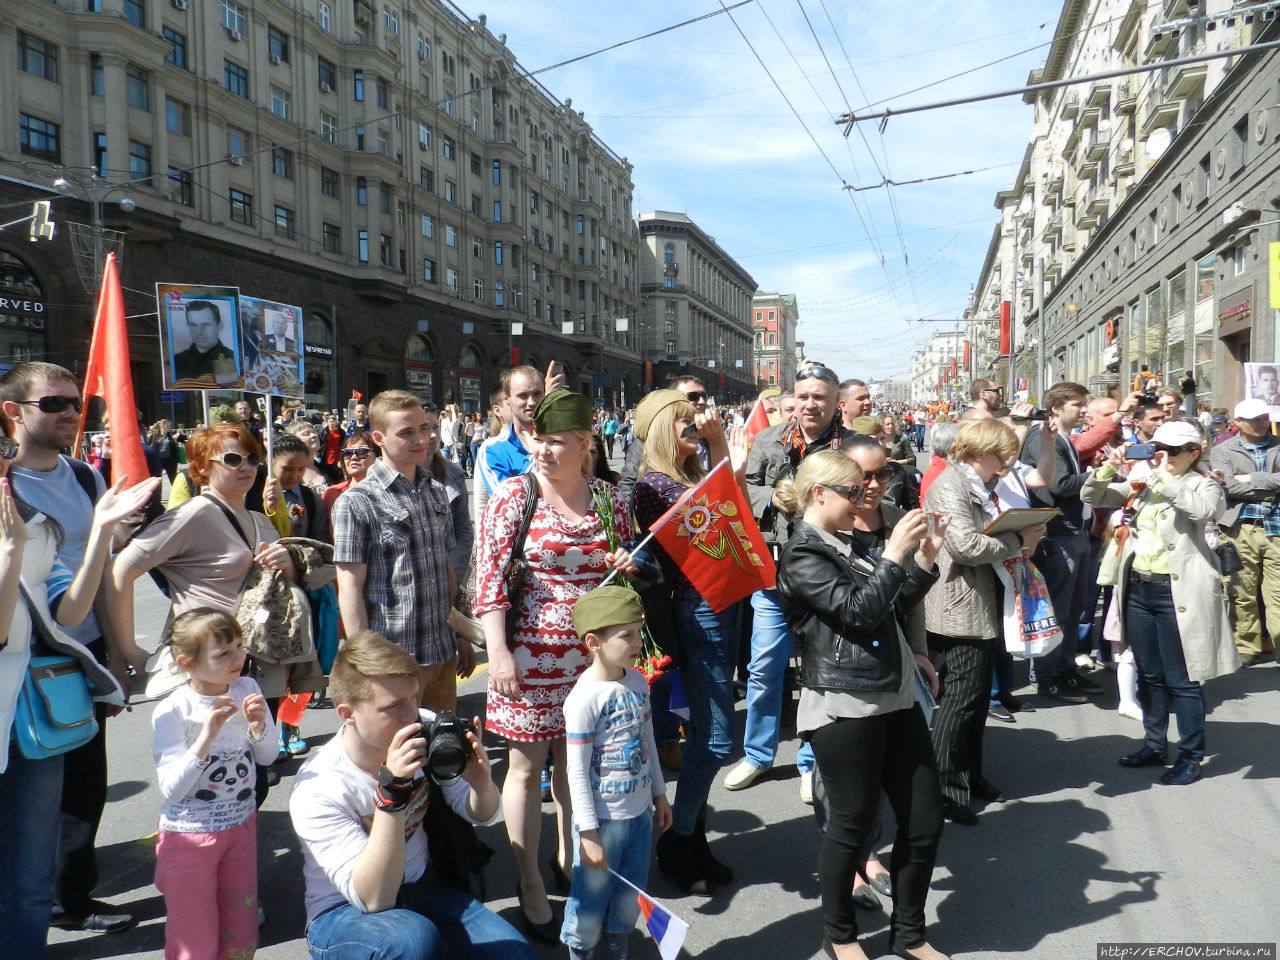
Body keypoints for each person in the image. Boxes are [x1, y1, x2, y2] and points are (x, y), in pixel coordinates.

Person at [0, 360, 162, 936]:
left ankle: (70, 896)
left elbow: (112, 573)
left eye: (76, 403)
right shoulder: (6, 486)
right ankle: (31, 904)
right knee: (30, 802)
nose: (71, 412)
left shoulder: (86, 476)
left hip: (81, 656)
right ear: (12, 412)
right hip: (23, 659)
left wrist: (119, 652)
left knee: (83, 790)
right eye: (54, 404)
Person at [473, 389, 639, 941]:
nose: (542, 450)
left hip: (591, 667)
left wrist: (626, 563)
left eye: (555, 441)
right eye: (537, 439)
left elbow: (624, 582)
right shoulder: (513, 499)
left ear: (584, 445)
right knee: (524, 770)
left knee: (578, 770)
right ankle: (527, 880)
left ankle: (568, 858)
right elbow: (490, 585)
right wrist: (497, 653)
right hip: (526, 660)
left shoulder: (611, 501)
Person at [774, 450, 947, 960]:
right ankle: (841, 936)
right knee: (850, 827)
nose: (863, 499)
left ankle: (911, 933)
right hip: (845, 704)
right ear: (818, 493)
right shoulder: (803, 552)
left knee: (924, 822)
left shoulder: (848, 540)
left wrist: (925, 558)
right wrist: (894, 555)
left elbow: (891, 605)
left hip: (894, 694)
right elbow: (860, 613)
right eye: (851, 491)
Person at [289, 630, 536, 960]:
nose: (412, 715)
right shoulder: (318, 786)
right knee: (412, 941)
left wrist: (481, 784)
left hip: (423, 885)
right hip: (344, 911)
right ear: (347, 714)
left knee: (516, 956)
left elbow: (482, 813)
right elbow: (374, 899)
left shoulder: (425, 726)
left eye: (414, 698)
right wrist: (392, 795)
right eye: (392, 706)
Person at [631, 389, 748, 894]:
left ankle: (692, 840)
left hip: (724, 598)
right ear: (661, 430)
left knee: (707, 733)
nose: (694, 429)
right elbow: (715, 524)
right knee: (718, 738)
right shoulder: (653, 484)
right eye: (684, 424)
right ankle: (679, 839)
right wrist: (723, 452)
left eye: (695, 423)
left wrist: (718, 454)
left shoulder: (688, 476)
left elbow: (734, 518)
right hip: (699, 607)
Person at [1082, 421, 1239, 785]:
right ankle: (1154, 744)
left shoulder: (1204, 483)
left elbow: (1204, 510)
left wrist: (1163, 479)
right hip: (1138, 587)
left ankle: (1190, 755)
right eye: (1157, 448)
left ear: (1193, 452)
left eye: (1170, 450)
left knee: (1182, 679)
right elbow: (1093, 499)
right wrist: (1108, 468)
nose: (1161, 455)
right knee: (1150, 675)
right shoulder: (1143, 481)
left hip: (1178, 592)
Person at [923, 418, 1046, 825]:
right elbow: (964, 546)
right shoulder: (950, 485)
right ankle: (944, 790)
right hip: (958, 606)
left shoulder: (977, 484)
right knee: (957, 703)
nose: (1008, 463)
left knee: (973, 702)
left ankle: (970, 777)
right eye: (1003, 454)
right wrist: (1017, 541)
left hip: (981, 599)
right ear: (981, 451)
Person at [737, 362, 846, 799]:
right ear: (792, 400)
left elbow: (868, 499)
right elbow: (741, 490)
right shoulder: (767, 440)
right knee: (764, 667)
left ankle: (811, 760)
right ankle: (758, 755)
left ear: (835, 401)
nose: (810, 404)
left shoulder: (850, 447)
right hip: (774, 574)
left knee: (821, 670)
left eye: (819, 396)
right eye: (803, 396)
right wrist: (772, 498)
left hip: (829, 576)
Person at [333, 390, 473, 714]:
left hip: (441, 651)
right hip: (393, 659)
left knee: (441, 756)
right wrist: (364, 661)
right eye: (407, 432)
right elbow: (350, 588)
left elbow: (446, 569)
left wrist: (462, 634)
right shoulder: (357, 501)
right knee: (397, 759)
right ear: (379, 438)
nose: (421, 439)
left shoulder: (437, 491)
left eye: (424, 428)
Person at [151, 610, 278, 959]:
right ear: (186, 662)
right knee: (195, 936)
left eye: (239, 646)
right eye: (223, 653)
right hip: (190, 837)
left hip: (240, 827)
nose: (238, 657)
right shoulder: (174, 709)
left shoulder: (247, 688)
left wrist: (258, 727)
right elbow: (172, 788)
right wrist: (206, 735)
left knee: (241, 928)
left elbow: (267, 756)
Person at [560, 586, 672, 960]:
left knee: (629, 898)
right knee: (589, 905)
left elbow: (649, 742)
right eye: (626, 635)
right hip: (603, 823)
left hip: (639, 816)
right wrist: (588, 834)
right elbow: (575, 771)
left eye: (638, 632)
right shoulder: (583, 699)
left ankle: (617, 948)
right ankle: (582, 953)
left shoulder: (638, 683)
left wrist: (659, 794)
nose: (637, 641)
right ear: (593, 641)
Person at [1021, 382, 1108, 704]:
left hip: (1076, 533)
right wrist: (1100, 474)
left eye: (1085, 404)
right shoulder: (1044, 438)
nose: (1084, 410)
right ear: (1056, 408)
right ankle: (1045, 676)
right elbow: (1058, 485)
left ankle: (1065, 668)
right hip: (1059, 535)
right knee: (1056, 610)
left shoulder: (1063, 439)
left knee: (1073, 609)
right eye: (1078, 404)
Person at [1209, 398, 1280, 666]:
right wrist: (1273, 486)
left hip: (1276, 526)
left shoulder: (1278, 444)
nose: (1261, 424)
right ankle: (1246, 645)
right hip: (1240, 528)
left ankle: (1277, 645)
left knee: (1278, 593)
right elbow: (1229, 487)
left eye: (1263, 418)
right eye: (1254, 420)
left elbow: (1240, 485)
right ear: (1237, 423)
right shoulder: (1224, 449)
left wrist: (1251, 478)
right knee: (1241, 591)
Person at [422, 404, 475, 583]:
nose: (433, 435)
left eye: (435, 427)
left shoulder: (454, 474)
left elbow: (464, 533)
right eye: (423, 428)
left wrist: (451, 581)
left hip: (447, 581)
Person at [172, 301, 237, 386]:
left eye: (205, 325)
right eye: (193, 325)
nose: (199, 332)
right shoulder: (176, 361)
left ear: (220, 326)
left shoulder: (234, 358)